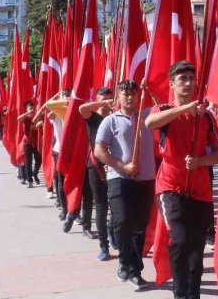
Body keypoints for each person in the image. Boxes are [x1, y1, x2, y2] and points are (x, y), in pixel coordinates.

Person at [144, 61, 218, 299]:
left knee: (196, 254)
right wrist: (184, 109)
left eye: (191, 78)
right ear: (172, 84)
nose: (188, 83)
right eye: (182, 79)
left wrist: (200, 162)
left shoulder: (207, 117)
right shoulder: (164, 110)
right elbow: (150, 123)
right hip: (170, 187)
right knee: (179, 240)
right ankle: (180, 294)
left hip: (200, 190)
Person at [94, 80, 155, 289]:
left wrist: (151, 90)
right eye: (125, 94)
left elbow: (166, 108)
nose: (129, 97)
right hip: (119, 179)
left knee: (139, 226)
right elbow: (99, 151)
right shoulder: (110, 121)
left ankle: (135, 269)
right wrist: (122, 166)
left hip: (145, 179)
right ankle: (124, 261)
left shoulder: (147, 117)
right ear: (118, 97)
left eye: (133, 94)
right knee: (122, 221)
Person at [78, 87, 115, 259]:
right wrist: (103, 103)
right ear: (98, 98)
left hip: (115, 165)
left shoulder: (115, 117)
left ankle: (114, 234)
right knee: (101, 206)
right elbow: (82, 109)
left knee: (116, 206)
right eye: (103, 97)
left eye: (110, 97)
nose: (108, 100)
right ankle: (104, 246)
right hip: (96, 166)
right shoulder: (93, 117)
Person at [17, 100, 42, 188]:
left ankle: (35, 174)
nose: (31, 109)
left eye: (32, 107)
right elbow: (19, 118)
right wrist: (27, 113)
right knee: (28, 162)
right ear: (26, 109)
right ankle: (30, 181)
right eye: (29, 107)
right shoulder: (26, 117)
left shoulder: (37, 116)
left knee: (39, 160)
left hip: (36, 142)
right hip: (27, 142)